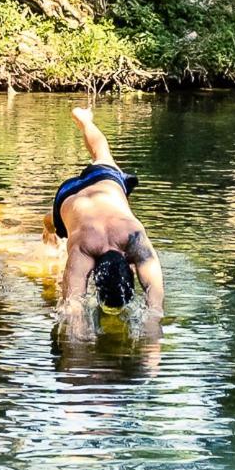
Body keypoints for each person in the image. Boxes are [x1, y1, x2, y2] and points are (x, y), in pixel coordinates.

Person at [44, 107, 164, 323]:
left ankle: (85, 121)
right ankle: (49, 229)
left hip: (104, 183)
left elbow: (72, 308)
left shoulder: (135, 237)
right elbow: (155, 311)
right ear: (131, 265)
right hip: (68, 199)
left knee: (101, 153)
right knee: (56, 221)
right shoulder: (84, 249)